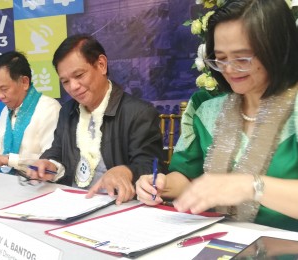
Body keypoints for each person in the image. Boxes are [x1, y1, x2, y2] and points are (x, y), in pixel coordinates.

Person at [136, 0, 298, 231]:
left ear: (278, 49)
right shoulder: (207, 110)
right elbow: (188, 177)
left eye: (242, 58)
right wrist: (162, 185)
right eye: (220, 58)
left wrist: (250, 186)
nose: (229, 69)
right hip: (220, 243)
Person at [28, 34, 165, 205]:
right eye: (65, 82)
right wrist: (50, 163)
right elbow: (57, 149)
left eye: (79, 75)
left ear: (101, 64)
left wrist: (126, 171)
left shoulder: (138, 112)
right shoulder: (67, 111)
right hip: (73, 202)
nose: (73, 87)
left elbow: (152, 167)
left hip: (116, 205)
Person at [0, 51, 61, 172]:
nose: (0, 96)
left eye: (4, 89)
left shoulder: (49, 109)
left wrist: (7, 160)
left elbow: (51, 162)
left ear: (24, 82)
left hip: (37, 186)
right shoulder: (5, 111)